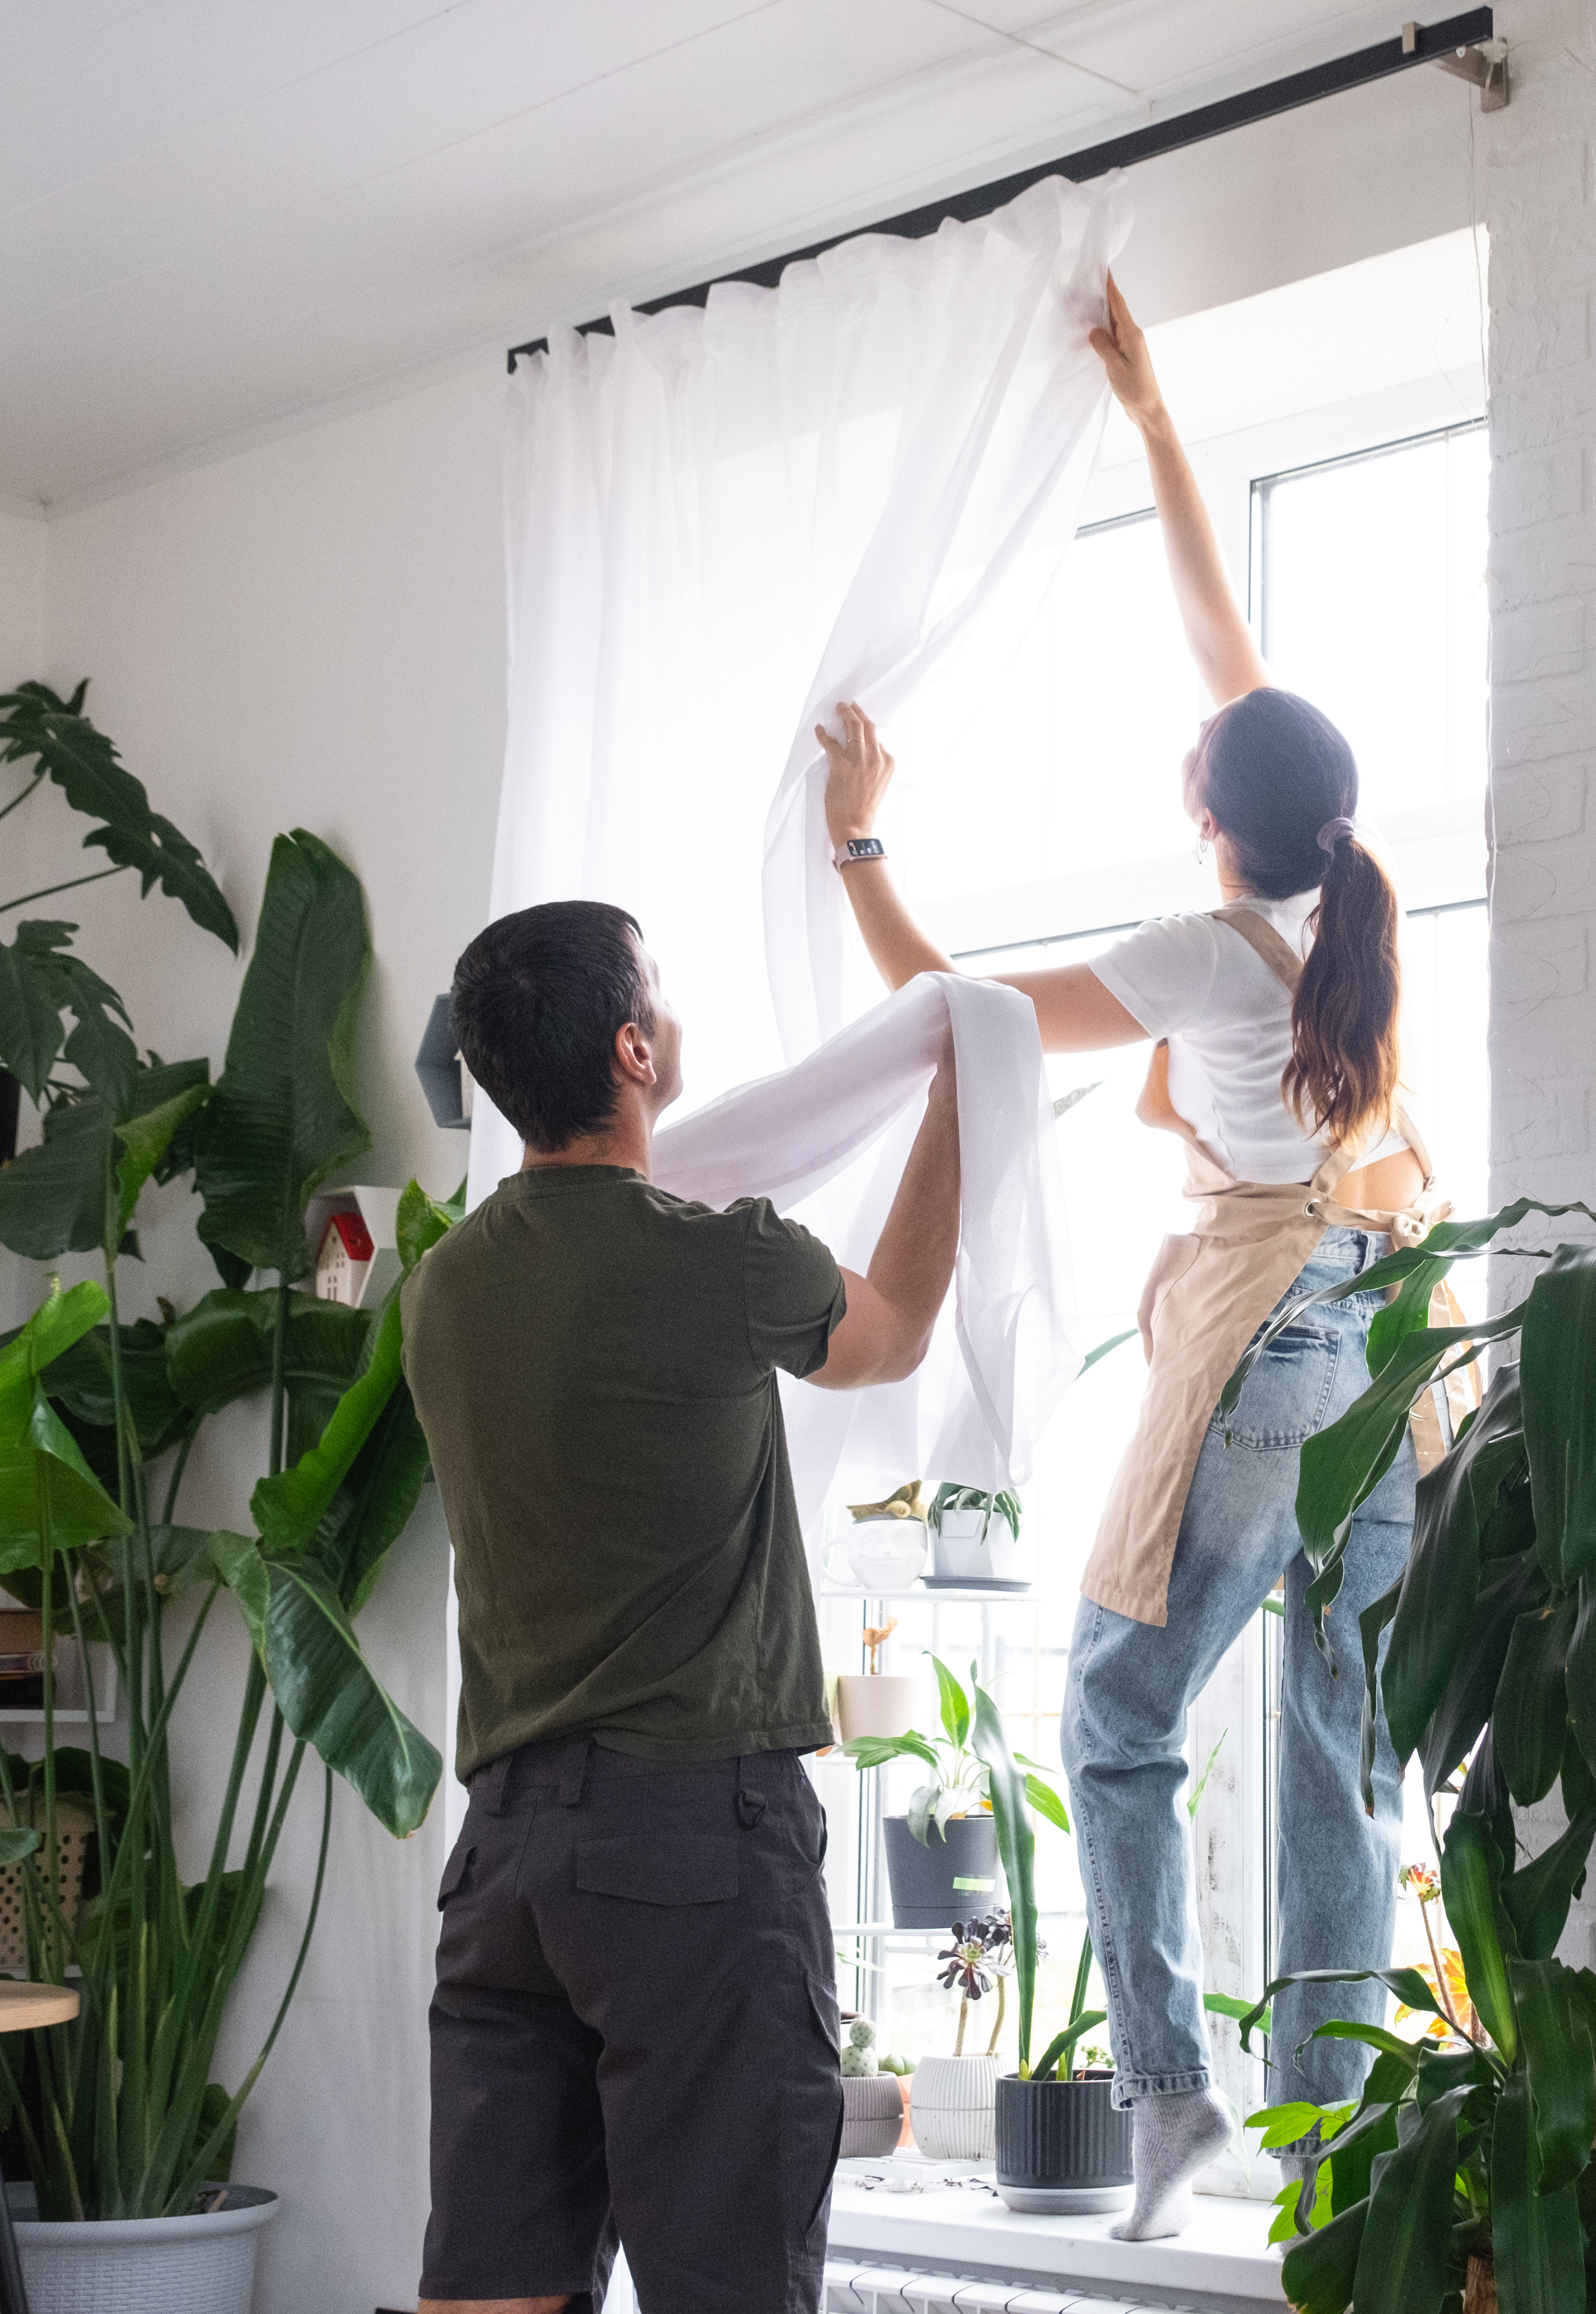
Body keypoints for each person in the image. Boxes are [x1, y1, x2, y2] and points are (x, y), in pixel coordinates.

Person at [816, 273, 1436, 2242]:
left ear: (1204, 811)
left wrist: (856, 848)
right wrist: (1149, 409)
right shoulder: (1344, 883)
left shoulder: (1200, 954)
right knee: (1334, 1750)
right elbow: (1224, 652)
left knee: (1116, 1715)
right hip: (1399, 1346)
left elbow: (956, 1013)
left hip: (1262, 1341)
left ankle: (1170, 2103)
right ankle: (1337, 2159)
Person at [406, 899, 962, 2314]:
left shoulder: (441, 1290)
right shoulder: (723, 1259)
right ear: (632, 1047)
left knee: (491, 2297)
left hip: (508, 1863)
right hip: (689, 1856)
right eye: (660, 995)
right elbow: (892, 1327)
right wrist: (963, 1094)